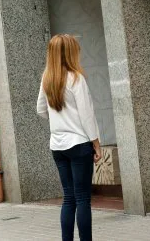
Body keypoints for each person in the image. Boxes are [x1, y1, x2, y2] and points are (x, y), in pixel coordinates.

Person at [37, 34, 101, 241]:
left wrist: (59, 120)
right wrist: (97, 143)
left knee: (69, 198)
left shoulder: (47, 77)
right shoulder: (76, 78)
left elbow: (40, 110)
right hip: (79, 144)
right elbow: (87, 115)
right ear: (70, 53)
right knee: (83, 199)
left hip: (57, 145)